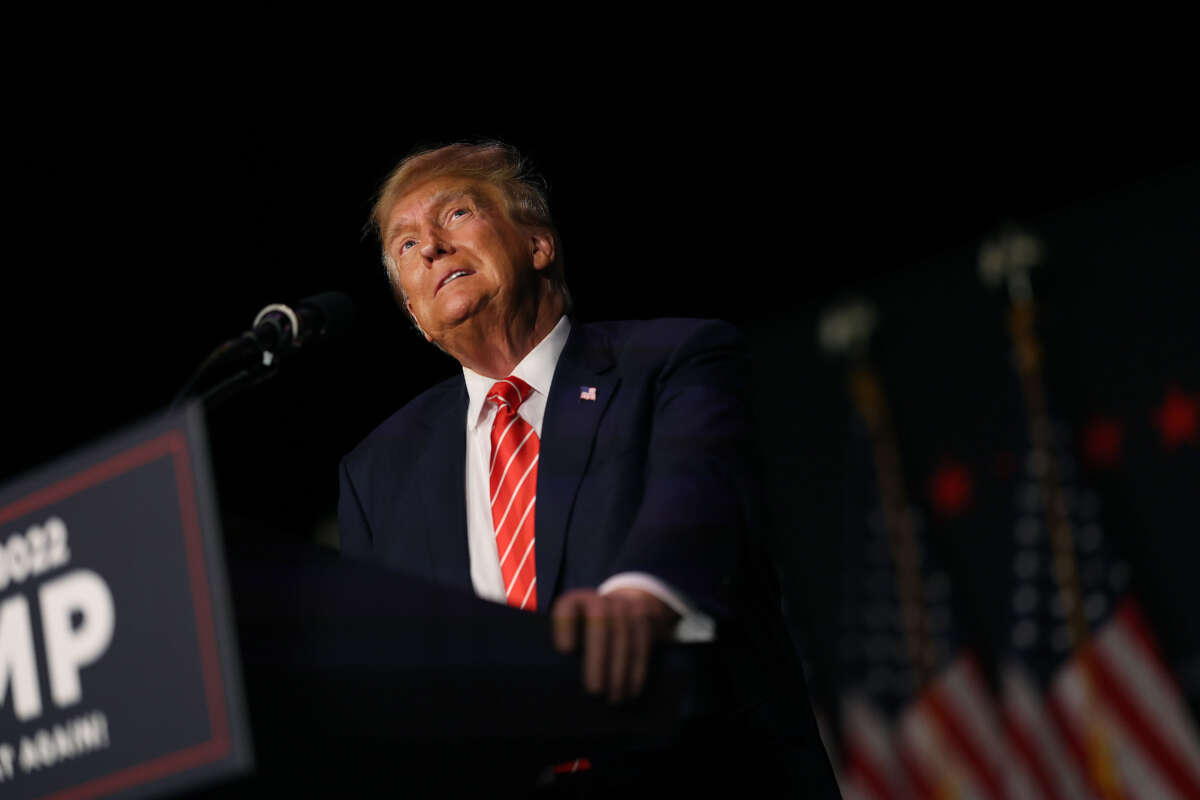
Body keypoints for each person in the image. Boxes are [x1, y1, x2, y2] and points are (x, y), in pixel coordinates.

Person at [337, 141, 837, 795]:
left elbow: (700, 498)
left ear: (538, 243)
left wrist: (641, 596)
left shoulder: (670, 361)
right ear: (413, 313)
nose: (429, 246)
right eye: (405, 245)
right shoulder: (376, 473)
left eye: (456, 214)